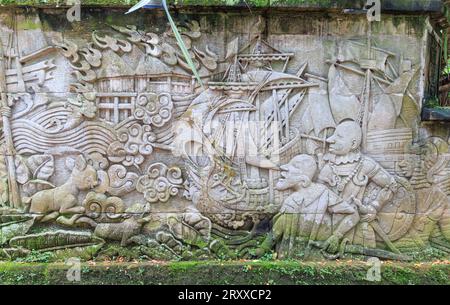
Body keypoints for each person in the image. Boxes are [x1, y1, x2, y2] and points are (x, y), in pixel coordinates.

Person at [255, 154, 359, 259]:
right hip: (293, 258)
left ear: (304, 180)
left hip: (319, 255)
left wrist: (337, 236)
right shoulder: (291, 201)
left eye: (292, 167)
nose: (283, 170)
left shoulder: (323, 193)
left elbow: (354, 215)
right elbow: (278, 229)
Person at [318, 120, 398, 247]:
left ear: (353, 143)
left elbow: (391, 185)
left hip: (355, 226)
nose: (330, 140)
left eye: (338, 137)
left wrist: (374, 207)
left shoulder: (365, 164)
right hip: (327, 224)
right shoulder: (328, 167)